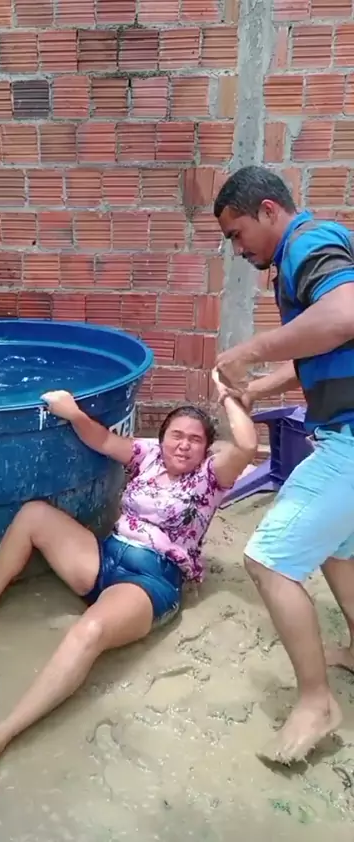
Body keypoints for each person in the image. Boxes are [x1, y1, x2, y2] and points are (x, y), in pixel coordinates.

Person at [0, 370, 257, 788]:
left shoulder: (211, 478)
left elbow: (247, 446)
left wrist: (227, 395)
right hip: (105, 558)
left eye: (194, 439)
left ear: (206, 448)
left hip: (150, 581)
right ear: (163, 437)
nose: (183, 444)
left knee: (90, 630)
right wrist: (72, 413)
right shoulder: (148, 455)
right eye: (176, 435)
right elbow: (102, 440)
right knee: (34, 515)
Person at [213, 164, 354, 766]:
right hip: (343, 433)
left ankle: (317, 703)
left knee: (267, 559)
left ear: (268, 210)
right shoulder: (312, 247)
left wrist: (247, 351)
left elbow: (345, 315)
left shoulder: (307, 243)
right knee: (338, 548)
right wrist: (257, 389)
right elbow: (323, 346)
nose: (237, 249)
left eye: (238, 233)